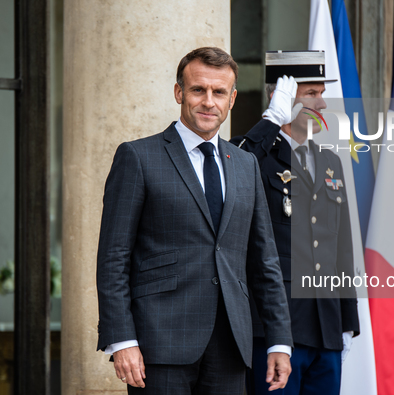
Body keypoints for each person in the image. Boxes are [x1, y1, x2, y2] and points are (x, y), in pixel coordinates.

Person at [96, 47, 293, 395]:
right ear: (179, 93)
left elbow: (265, 261)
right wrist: (121, 339)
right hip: (159, 346)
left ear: (231, 99)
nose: (208, 101)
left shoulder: (245, 164)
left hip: (232, 345)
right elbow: (113, 258)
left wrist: (279, 341)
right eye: (198, 89)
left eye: (219, 92)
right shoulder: (138, 157)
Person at [231, 50, 360, 395]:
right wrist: (271, 120)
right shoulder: (255, 156)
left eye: (322, 93)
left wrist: (347, 323)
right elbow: (229, 169)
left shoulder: (329, 161)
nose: (321, 103)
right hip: (276, 329)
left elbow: (342, 247)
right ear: (283, 98)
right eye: (311, 94)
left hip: (326, 325)